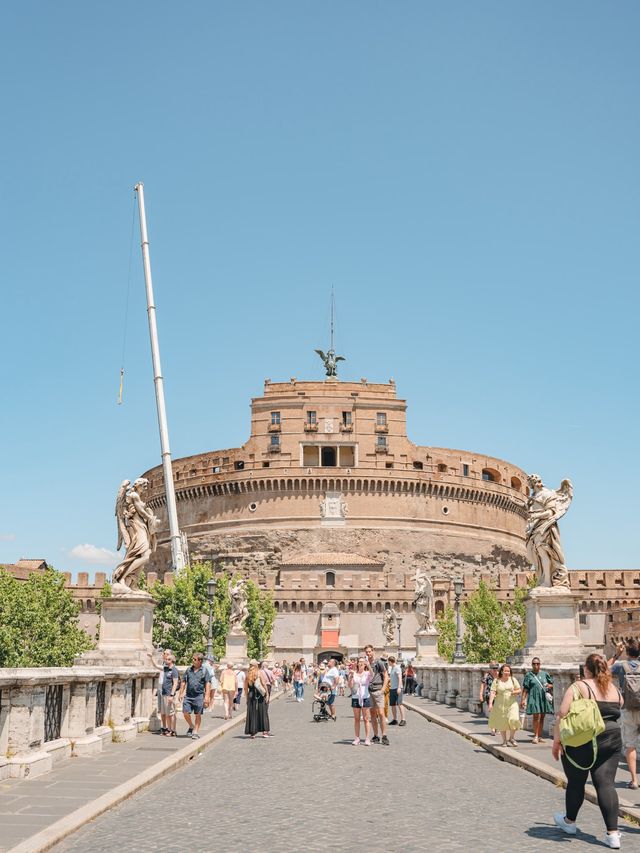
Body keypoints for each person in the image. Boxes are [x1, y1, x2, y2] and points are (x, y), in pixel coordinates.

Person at [552, 653, 623, 849]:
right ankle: (613, 834)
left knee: (576, 782)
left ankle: (569, 822)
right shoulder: (613, 688)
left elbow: (562, 714)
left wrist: (556, 742)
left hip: (585, 738)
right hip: (612, 737)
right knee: (606, 784)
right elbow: (621, 705)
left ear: (587, 669)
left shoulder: (579, 686)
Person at [609, 639, 640, 790]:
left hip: (628, 709)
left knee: (630, 746)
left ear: (627, 653)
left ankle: (634, 781)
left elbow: (604, 670)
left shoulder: (621, 666)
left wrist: (616, 654)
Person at [178, 652, 211, 739]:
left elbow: (208, 684)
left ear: (200, 661)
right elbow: (183, 681)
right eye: (193, 659)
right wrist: (181, 693)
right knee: (185, 712)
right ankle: (191, 726)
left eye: (195, 659)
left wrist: (207, 697)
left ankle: (195, 732)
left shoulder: (204, 671)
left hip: (199, 696)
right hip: (188, 695)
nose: (193, 660)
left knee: (198, 714)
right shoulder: (188, 670)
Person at [488, 663, 522, 747]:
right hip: (500, 704)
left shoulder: (513, 679)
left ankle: (511, 737)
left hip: (512, 704)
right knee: (502, 722)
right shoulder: (496, 680)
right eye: (505, 671)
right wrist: (490, 703)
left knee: (514, 719)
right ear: (501, 672)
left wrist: (514, 692)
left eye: (508, 671)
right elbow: (492, 692)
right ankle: (504, 741)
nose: (507, 672)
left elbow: (519, 690)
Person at [521, 658, 554, 744]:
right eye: (534, 664)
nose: (536, 665)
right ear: (532, 665)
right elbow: (525, 688)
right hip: (534, 697)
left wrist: (548, 685)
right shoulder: (529, 675)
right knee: (536, 716)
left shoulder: (545, 674)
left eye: (538, 664)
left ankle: (539, 736)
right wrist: (523, 699)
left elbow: (551, 684)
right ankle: (535, 736)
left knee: (542, 717)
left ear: (540, 664)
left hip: (543, 697)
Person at [364, 644, 390, 745]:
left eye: (369, 651)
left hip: (378, 689)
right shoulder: (366, 663)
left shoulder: (379, 662)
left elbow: (386, 675)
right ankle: (375, 735)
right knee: (373, 714)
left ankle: (384, 735)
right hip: (369, 691)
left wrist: (383, 689)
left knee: (381, 713)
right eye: (366, 652)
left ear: (373, 651)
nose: (368, 653)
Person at [349, 656, 372, 745]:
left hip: (365, 697)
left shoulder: (367, 673)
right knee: (357, 719)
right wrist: (350, 677)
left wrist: (368, 665)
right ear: (357, 663)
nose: (361, 663)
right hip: (355, 697)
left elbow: (372, 674)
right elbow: (350, 686)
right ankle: (357, 738)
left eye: (363, 662)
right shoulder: (354, 673)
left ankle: (367, 738)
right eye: (360, 662)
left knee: (366, 719)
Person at [245, 659, 271, 739]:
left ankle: (253, 733)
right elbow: (263, 683)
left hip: (251, 694)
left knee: (252, 713)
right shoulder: (259, 673)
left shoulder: (248, 674)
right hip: (260, 694)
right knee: (263, 712)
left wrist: (247, 698)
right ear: (256, 665)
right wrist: (267, 694)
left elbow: (245, 688)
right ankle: (265, 732)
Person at [159, 650, 179, 737]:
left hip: (169, 694)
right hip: (164, 693)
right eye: (166, 659)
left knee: (171, 713)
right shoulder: (166, 668)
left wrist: (172, 695)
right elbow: (156, 666)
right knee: (167, 714)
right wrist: (151, 658)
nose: (166, 660)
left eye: (168, 659)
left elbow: (175, 683)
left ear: (172, 661)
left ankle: (173, 730)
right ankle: (169, 729)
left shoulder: (174, 670)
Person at [479, 663, 499, 734]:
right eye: (493, 668)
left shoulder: (500, 675)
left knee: (498, 712)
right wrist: (481, 695)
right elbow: (483, 685)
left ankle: (497, 726)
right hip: (489, 695)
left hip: (499, 696)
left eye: (496, 668)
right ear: (490, 668)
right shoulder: (487, 675)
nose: (495, 670)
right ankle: (493, 728)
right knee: (492, 712)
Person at [388, 655, 406, 727]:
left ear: (390, 661)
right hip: (392, 688)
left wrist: (399, 687)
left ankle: (403, 719)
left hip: (397, 688)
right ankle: (395, 719)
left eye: (388, 662)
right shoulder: (392, 668)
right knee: (392, 705)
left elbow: (400, 678)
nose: (388, 663)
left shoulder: (397, 668)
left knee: (400, 704)